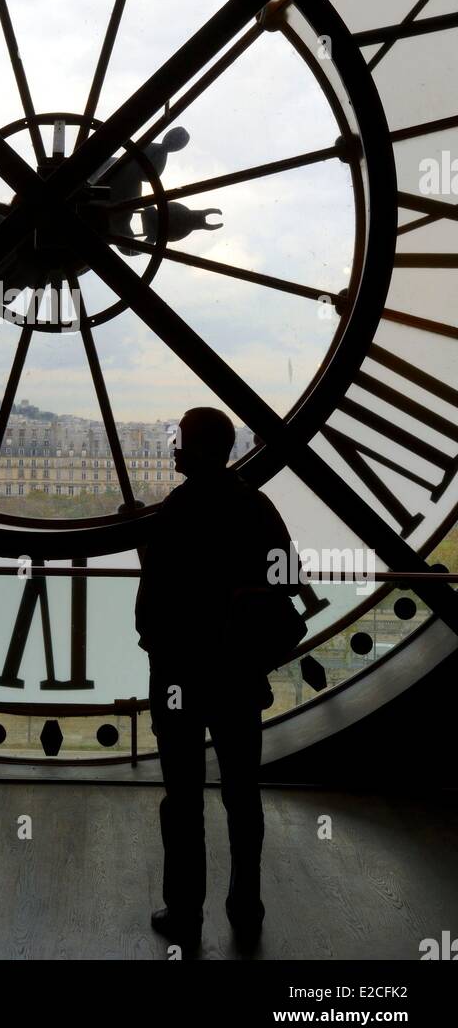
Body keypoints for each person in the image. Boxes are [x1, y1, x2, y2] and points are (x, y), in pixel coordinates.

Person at [135, 406, 296, 952]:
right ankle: (244, 906)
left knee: (182, 799)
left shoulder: (178, 509)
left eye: (180, 440)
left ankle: (186, 911)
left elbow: (158, 597)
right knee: (241, 795)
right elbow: (287, 577)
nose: (174, 449)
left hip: (181, 673)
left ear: (197, 448)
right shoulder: (254, 505)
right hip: (236, 673)